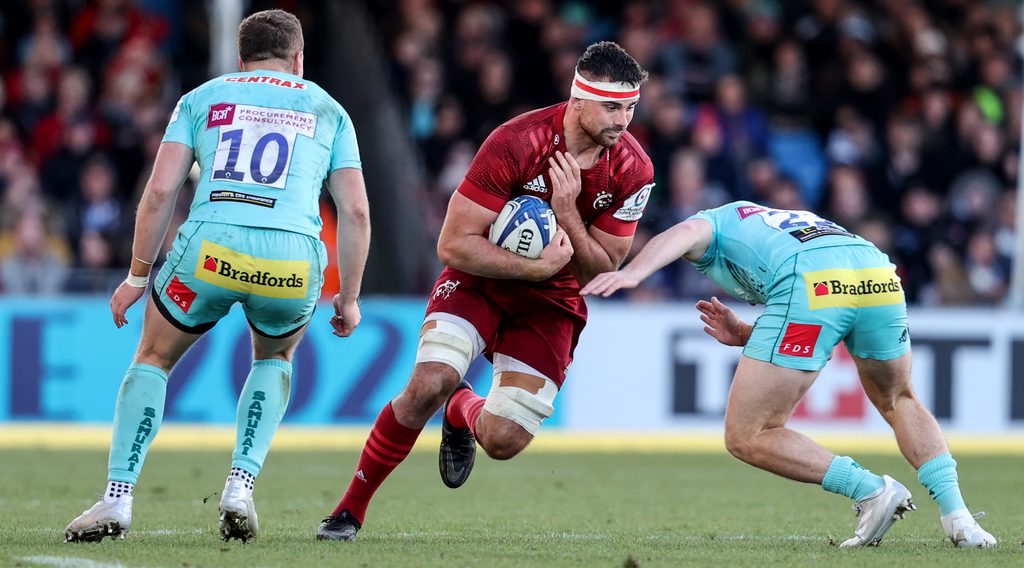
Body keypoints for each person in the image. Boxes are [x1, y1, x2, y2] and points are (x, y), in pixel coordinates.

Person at [316, 41, 654, 541]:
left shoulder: (633, 170)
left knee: (503, 440)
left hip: (552, 302)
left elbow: (600, 271)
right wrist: (532, 268)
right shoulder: (516, 142)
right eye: (611, 105)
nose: (622, 120)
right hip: (480, 282)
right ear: (579, 98)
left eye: (630, 107)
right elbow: (452, 245)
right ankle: (348, 512)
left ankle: (461, 408)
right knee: (428, 383)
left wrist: (566, 213)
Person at [65, 9, 371, 543]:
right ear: (298, 59)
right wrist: (348, 297)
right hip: (292, 261)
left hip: (210, 249)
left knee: (154, 358)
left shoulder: (202, 97)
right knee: (274, 357)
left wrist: (138, 276)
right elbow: (356, 212)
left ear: (240, 59)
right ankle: (240, 485)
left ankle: (116, 499)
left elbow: (161, 192)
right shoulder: (329, 109)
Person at [580, 201, 997, 548]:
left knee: (748, 434)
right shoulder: (775, 220)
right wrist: (746, 333)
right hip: (875, 272)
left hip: (811, 278)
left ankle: (870, 490)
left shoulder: (717, 220)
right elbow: (805, 300)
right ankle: (960, 519)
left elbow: (683, 234)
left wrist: (633, 272)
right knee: (900, 398)